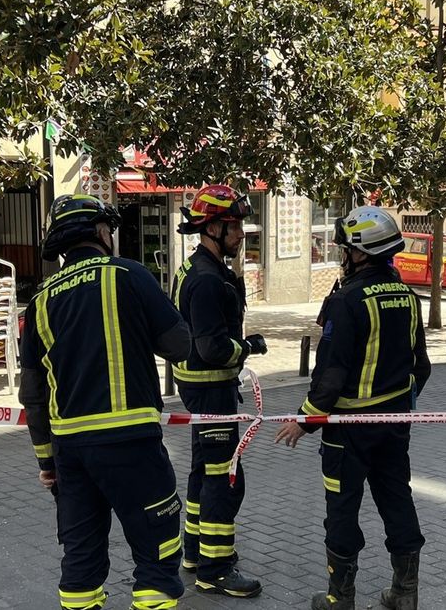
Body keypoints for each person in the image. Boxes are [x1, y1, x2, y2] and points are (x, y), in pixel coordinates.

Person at [19, 195, 192, 610]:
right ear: (101, 232)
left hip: (71, 452)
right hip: (131, 442)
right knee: (157, 549)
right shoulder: (129, 275)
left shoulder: (40, 300)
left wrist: (47, 462)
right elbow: (179, 346)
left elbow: (33, 395)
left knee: (80, 555)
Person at [274, 205, 431, 610]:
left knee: (342, 510)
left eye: (346, 249)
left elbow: (331, 374)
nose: (343, 255)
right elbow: (422, 367)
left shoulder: (348, 301)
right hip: (393, 426)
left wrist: (304, 421)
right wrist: (400, 404)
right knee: (396, 499)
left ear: (360, 253)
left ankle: (339, 598)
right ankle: (405, 594)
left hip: (347, 431)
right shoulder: (408, 297)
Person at [170, 184, 267, 599]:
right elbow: (212, 348)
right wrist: (248, 347)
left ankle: (195, 552)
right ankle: (216, 568)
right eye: (234, 226)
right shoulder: (208, 281)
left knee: (203, 473)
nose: (242, 233)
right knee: (226, 480)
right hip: (212, 392)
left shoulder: (196, 269)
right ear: (212, 228)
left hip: (199, 390)